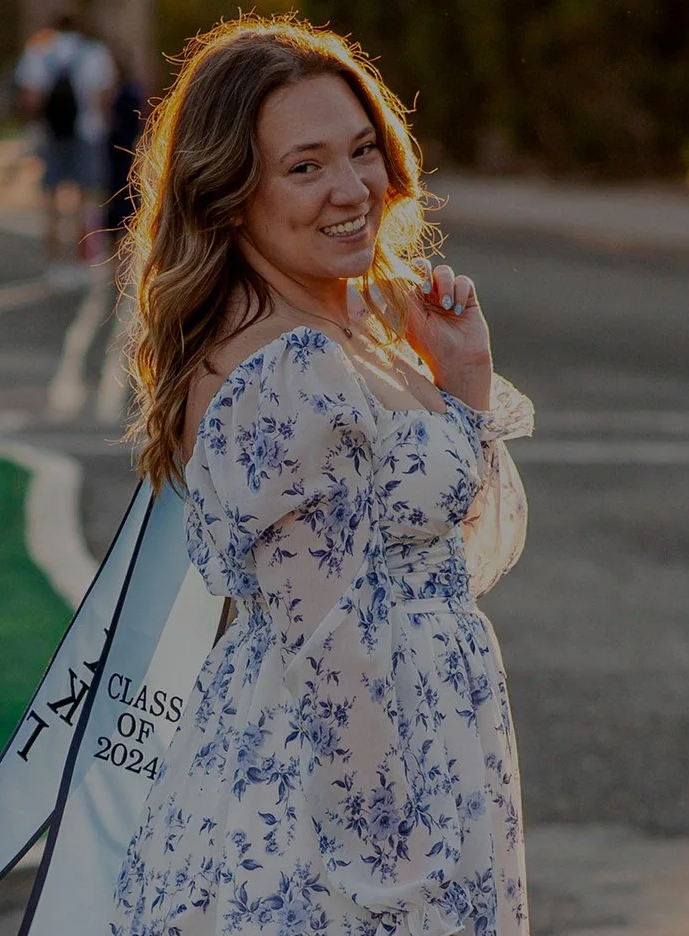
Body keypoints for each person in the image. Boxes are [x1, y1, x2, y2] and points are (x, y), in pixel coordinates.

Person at [110, 16, 535, 934]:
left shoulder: (347, 330)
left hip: (421, 770)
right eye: (304, 167)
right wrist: (403, 877)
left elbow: (438, 559)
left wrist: (460, 382)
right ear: (230, 195)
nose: (352, 190)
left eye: (361, 151)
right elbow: (333, 651)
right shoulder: (286, 374)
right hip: (342, 824)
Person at [14, 14, 114, 272]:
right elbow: (104, 96)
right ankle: (85, 257)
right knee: (87, 196)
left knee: (50, 198)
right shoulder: (94, 53)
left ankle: (55, 260)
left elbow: (28, 99)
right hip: (88, 132)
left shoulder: (39, 53)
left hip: (50, 134)